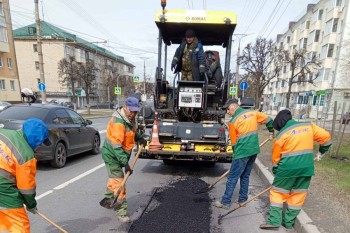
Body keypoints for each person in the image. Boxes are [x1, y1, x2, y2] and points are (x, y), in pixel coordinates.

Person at [260, 109, 332, 230]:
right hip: (306, 169)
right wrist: (321, 152)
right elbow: (326, 138)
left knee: (278, 192)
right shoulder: (309, 126)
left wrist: (276, 172)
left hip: (287, 169)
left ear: (280, 124)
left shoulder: (282, 135)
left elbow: (276, 158)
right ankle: (288, 223)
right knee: (298, 194)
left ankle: (274, 221)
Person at [214, 98, 274, 209]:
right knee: (245, 176)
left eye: (227, 109)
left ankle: (225, 202)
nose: (227, 112)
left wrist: (235, 156)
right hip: (253, 150)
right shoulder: (253, 113)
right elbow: (269, 120)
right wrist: (271, 131)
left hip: (242, 152)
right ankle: (243, 200)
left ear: (233, 107)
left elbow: (233, 144)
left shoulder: (233, 121)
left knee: (232, 177)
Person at [99, 96, 147, 223]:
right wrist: (125, 164)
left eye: (136, 111)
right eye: (131, 111)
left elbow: (132, 131)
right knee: (120, 183)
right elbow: (116, 146)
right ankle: (122, 212)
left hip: (120, 156)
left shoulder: (129, 120)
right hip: (112, 156)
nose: (133, 114)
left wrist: (139, 137)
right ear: (125, 107)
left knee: (114, 180)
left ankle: (108, 198)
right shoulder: (118, 122)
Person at [0, 118, 51, 233]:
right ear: (37, 140)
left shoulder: (4, 133)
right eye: (41, 142)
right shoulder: (26, 155)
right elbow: (26, 188)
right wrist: (31, 205)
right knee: (20, 225)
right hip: (3, 191)